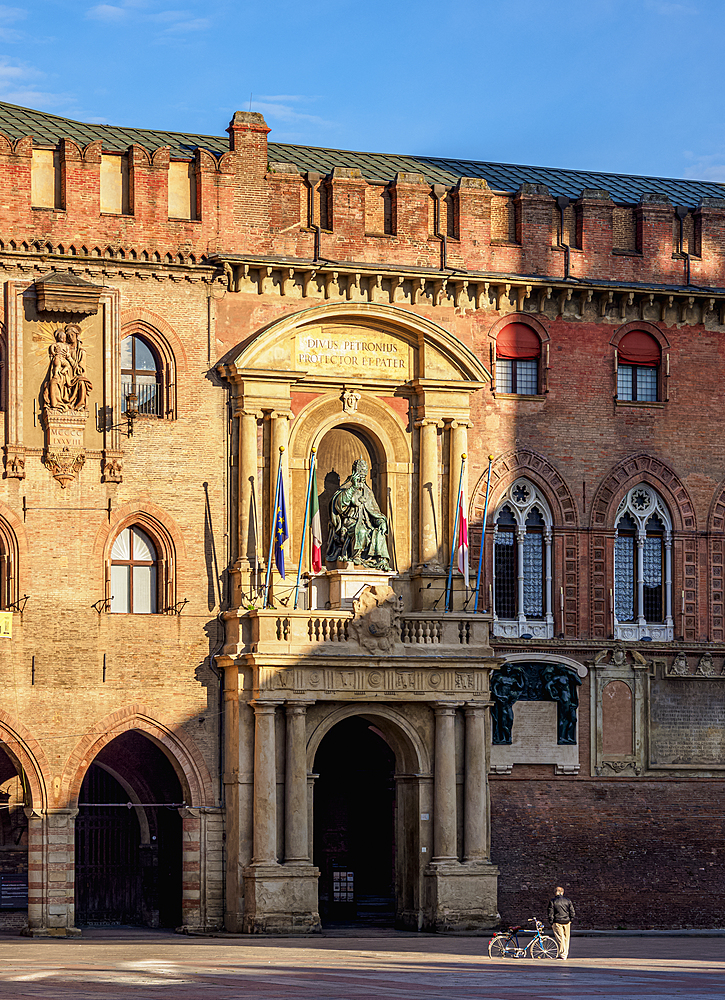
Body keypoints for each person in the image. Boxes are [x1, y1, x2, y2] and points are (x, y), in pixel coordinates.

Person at [548, 885, 575, 959]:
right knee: (566, 938)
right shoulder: (568, 900)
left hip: (557, 921)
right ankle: (565, 953)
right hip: (566, 921)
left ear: (555, 893)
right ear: (562, 892)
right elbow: (572, 911)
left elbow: (551, 912)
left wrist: (551, 921)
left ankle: (563, 954)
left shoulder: (553, 901)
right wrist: (571, 919)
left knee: (560, 938)